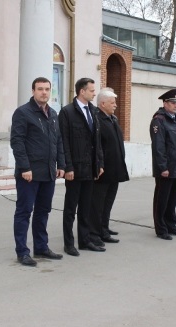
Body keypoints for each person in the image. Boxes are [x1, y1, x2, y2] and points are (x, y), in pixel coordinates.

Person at [10, 77, 65, 266]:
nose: (44, 92)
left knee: (43, 211)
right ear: (33, 91)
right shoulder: (23, 113)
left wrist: (62, 165)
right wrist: (24, 167)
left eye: (47, 89)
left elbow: (58, 141)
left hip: (48, 172)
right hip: (30, 173)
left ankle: (41, 247)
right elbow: (17, 142)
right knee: (24, 211)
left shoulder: (53, 114)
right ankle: (22, 252)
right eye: (40, 89)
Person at [59, 77, 105, 256]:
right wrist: (67, 167)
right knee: (71, 208)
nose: (94, 93)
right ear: (82, 91)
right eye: (92, 90)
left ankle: (85, 241)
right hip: (75, 169)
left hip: (90, 168)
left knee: (86, 207)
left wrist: (99, 163)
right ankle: (68, 243)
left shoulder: (93, 111)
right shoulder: (67, 112)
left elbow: (97, 140)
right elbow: (64, 142)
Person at [89, 88, 129, 246]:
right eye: (112, 103)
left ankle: (104, 228)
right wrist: (100, 165)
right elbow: (97, 145)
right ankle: (96, 232)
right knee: (98, 204)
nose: (116, 105)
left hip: (115, 169)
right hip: (103, 170)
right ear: (102, 103)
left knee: (108, 203)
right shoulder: (97, 119)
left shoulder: (112, 119)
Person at [150, 89, 176, 240]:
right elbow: (158, 146)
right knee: (162, 199)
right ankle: (161, 228)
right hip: (166, 168)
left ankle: (171, 225)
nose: (175, 105)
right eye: (172, 103)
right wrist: (163, 167)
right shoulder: (159, 120)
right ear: (165, 103)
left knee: (173, 199)